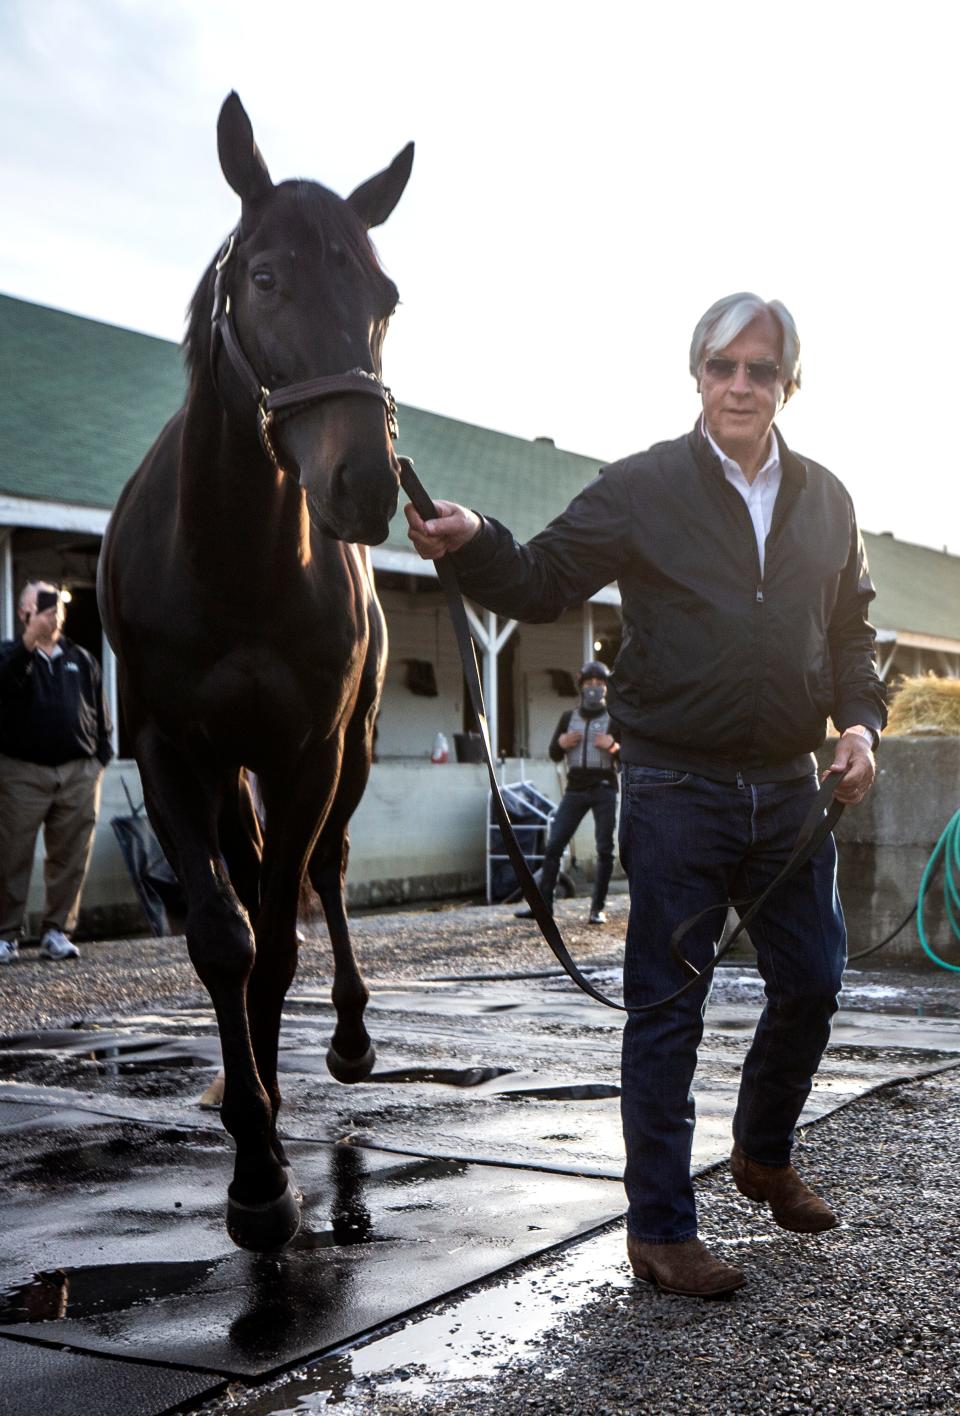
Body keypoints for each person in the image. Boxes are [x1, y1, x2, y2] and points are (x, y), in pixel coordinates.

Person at [405, 292, 886, 1297]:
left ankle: (761, 1151)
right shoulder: (641, 488)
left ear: (790, 383)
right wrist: (475, 535)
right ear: (698, 376)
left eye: (761, 369)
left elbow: (849, 635)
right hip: (674, 784)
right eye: (723, 366)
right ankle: (661, 1230)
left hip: (789, 786)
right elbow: (539, 581)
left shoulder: (830, 501)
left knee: (815, 980)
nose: (740, 384)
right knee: (668, 1009)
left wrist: (859, 726)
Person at [0, 580, 114, 963]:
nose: (53, 612)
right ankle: (6, 934)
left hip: (78, 772)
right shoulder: (9, 655)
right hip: (22, 772)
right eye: (44, 605)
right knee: (10, 853)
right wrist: (28, 644)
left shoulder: (81, 658)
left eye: (57, 605)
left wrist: (101, 756)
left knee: (70, 855)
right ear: (24, 613)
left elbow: (100, 712)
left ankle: (56, 931)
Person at [515, 659, 621, 925]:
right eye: (589, 684)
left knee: (605, 849)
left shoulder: (614, 718)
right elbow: (553, 753)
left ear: (606, 688)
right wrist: (562, 742)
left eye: (599, 684)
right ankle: (543, 907)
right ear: (581, 686)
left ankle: (598, 908)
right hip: (575, 789)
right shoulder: (568, 718)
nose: (594, 689)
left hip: (604, 788)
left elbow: (628, 757)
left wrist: (614, 746)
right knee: (554, 846)